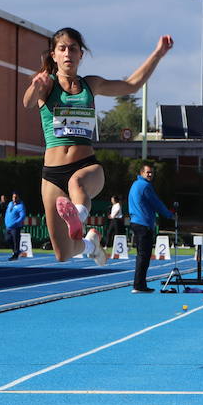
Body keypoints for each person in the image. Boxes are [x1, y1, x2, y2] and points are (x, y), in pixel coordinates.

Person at [22, 27, 173, 266]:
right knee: (63, 253)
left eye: (73, 48)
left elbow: (131, 85)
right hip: (52, 174)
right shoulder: (47, 85)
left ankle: (79, 216)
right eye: (62, 49)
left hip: (86, 167)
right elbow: (28, 102)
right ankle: (92, 243)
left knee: (76, 183)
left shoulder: (90, 85)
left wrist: (157, 53)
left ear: (81, 54)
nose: (67, 53)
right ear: (54, 55)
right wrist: (35, 84)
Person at [128, 161, 174, 292]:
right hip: (143, 224)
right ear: (141, 173)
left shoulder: (135, 184)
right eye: (147, 172)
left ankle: (139, 284)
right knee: (144, 256)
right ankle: (139, 285)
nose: (150, 174)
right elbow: (156, 203)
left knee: (141, 255)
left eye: (151, 172)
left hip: (136, 222)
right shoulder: (145, 186)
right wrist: (169, 215)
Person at [5, 192, 27, 261]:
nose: (14, 199)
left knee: (15, 241)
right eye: (13, 197)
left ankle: (15, 254)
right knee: (7, 239)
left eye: (16, 197)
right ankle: (15, 251)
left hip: (15, 227)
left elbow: (22, 216)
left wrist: (16, 223)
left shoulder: (21, 206)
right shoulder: (10, 204)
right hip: (8, 226)